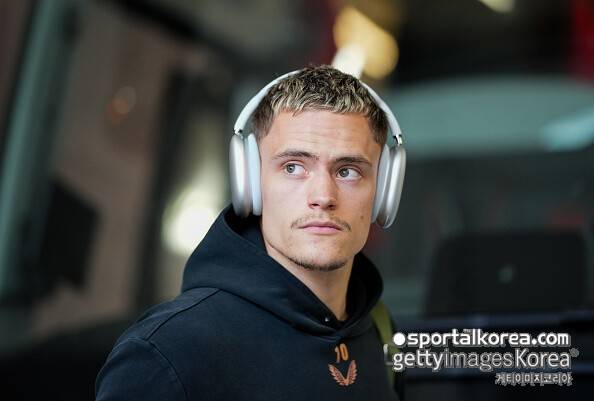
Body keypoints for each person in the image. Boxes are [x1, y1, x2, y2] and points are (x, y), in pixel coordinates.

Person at [95, 65, 406, 401]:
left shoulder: (380, 335)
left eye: (347, 171)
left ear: (384, 189)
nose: (323, 196)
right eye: (293, 167)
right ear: (251, 182)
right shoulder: (167, 354)